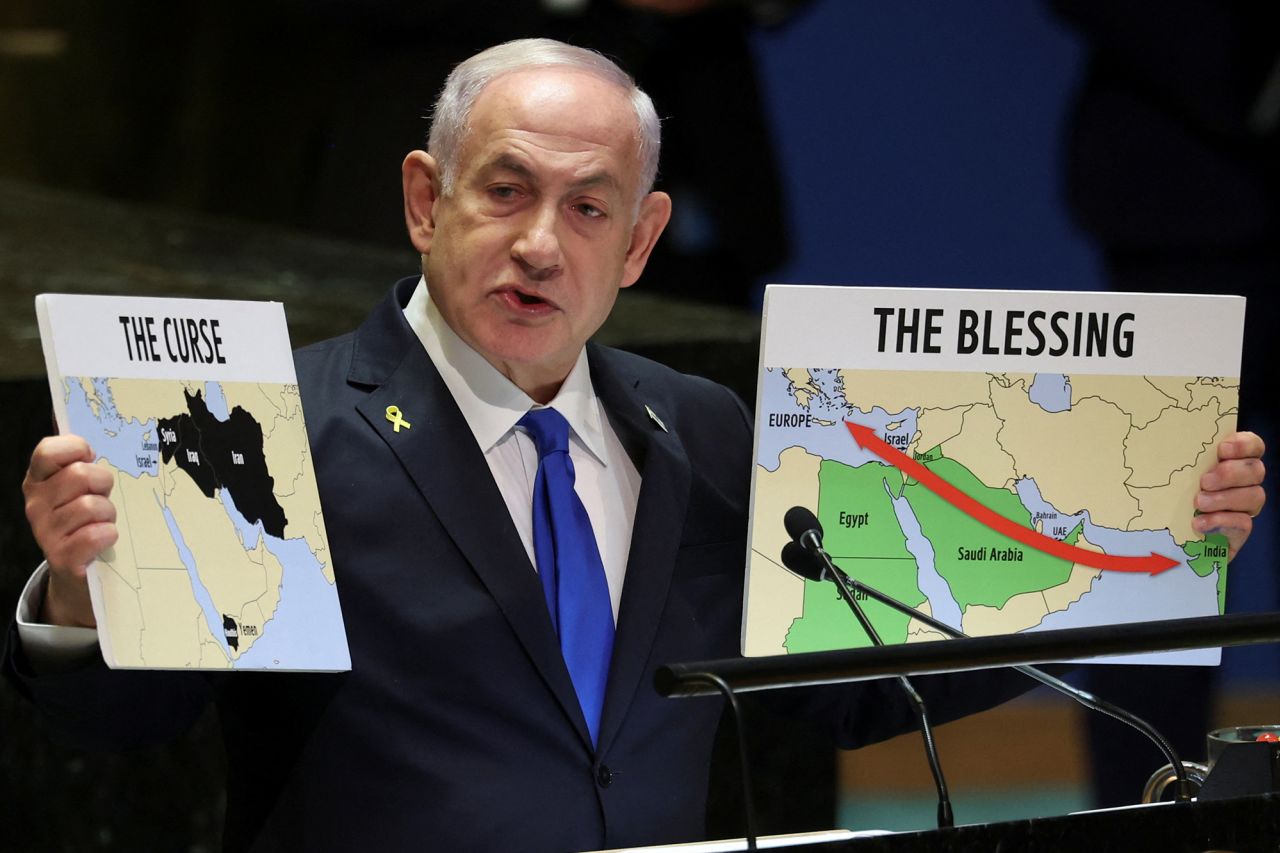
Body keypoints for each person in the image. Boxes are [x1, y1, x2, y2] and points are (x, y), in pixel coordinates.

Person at [6, 39, 1267, 851]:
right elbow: (135, 722)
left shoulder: (696, 430)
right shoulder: (286, 426)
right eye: (504, 191)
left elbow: (849, 680)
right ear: (421, 200)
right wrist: (78, 587)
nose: (542, 242)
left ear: (642, 242)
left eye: (587, 206)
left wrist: (1151, 542)